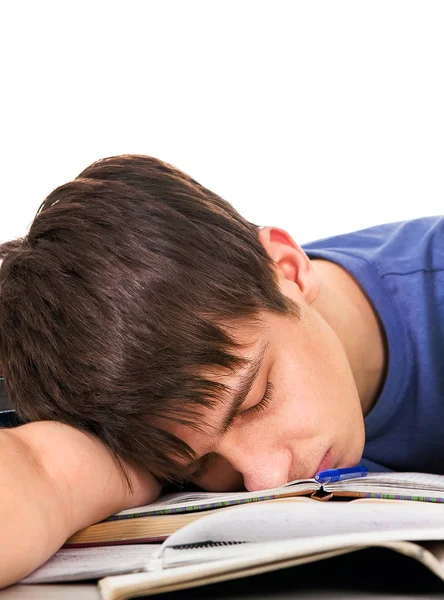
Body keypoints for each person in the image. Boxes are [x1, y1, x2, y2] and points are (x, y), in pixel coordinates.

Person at [0, 154, 443, 586]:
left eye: (256, 398)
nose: (265, 481)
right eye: (201, 466)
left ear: (288, 268)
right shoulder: (139, 407)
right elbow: (40, 472)